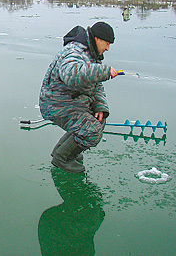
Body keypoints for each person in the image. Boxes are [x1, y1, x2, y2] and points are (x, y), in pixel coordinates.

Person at [39, 22, 117, 173]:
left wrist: (100, 106)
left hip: (72, 100)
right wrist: (103, 71)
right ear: (96, 39)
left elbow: (96, 84)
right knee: (92, 131)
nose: (107, 48)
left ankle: (63, 151)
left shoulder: (92, 54)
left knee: (98, 120)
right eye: (106, 43)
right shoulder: (74, 51)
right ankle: (62, 158)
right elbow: (71, 75)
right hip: (57, 103)